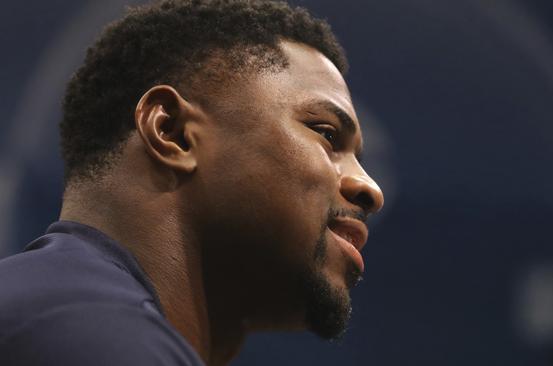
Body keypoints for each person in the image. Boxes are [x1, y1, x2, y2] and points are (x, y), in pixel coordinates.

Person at [0, 0, 384, 365]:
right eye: (327, 134)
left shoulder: (65, 312)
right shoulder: (89, 332)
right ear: (173, 132)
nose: (371, 189)